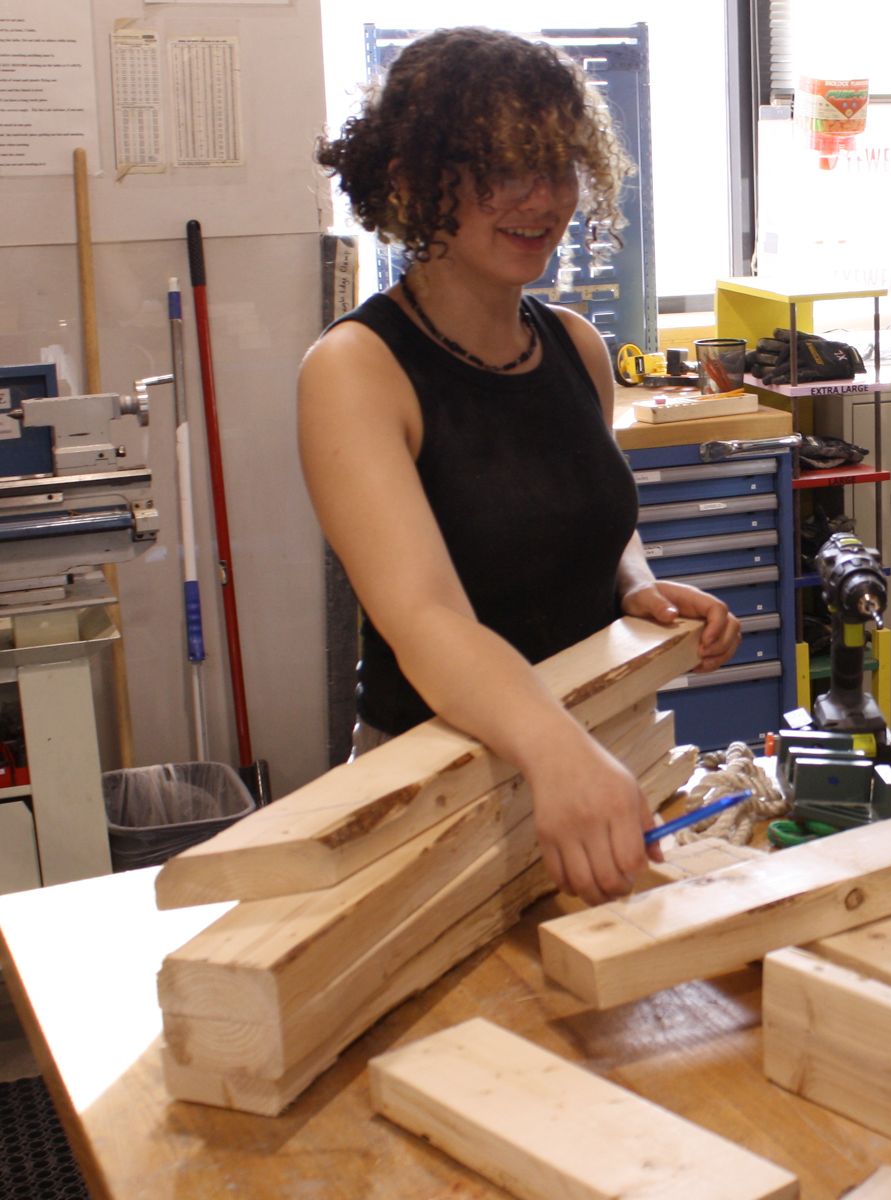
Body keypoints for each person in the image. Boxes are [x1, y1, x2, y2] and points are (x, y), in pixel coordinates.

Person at [299, 28, 740, 906]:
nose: (541, 199)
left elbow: (590, 514)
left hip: (586, 755)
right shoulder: (356, 370)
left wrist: (635, 583)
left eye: (557, 165)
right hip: (439, 784)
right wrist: (557, 749)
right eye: (501, 169)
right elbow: (424, 617)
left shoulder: (575, 345)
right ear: (412, 179)